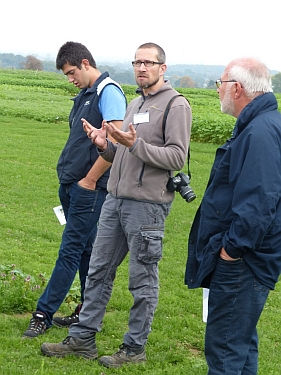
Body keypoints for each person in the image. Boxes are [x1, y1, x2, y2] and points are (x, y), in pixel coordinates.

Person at [39, 42, 192, 368]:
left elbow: (177, 157)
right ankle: (82, 340)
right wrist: (104, 144)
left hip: (146, 206)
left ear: (162, 68)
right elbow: (120, 151)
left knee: (142, 280)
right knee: (97, 272)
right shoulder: (135, 102)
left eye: (148, 62)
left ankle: (134, 348)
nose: (141, 68)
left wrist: (134, 143)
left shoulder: (176, 105)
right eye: (137, 62)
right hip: (114, 200)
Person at [23, 41, 127, 338]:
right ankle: (88, 310)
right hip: (72, 184)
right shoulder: (85, 94)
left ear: (85, 63)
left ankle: (43, 313)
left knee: (70, 249)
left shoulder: (109, 92)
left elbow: (115, 143)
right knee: (86, 250)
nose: (70, 79)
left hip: (89, 189)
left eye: (71, 72)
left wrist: (89, 181)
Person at [185, 57, 281, 374]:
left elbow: (260, 201)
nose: (217, 91)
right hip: (249, 258)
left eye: (220, 84)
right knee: (240, 344)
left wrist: (231, 251)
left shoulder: (260, 132)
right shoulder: (261, 125)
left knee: (225, 349)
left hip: (244, 261)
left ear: (236, 88)